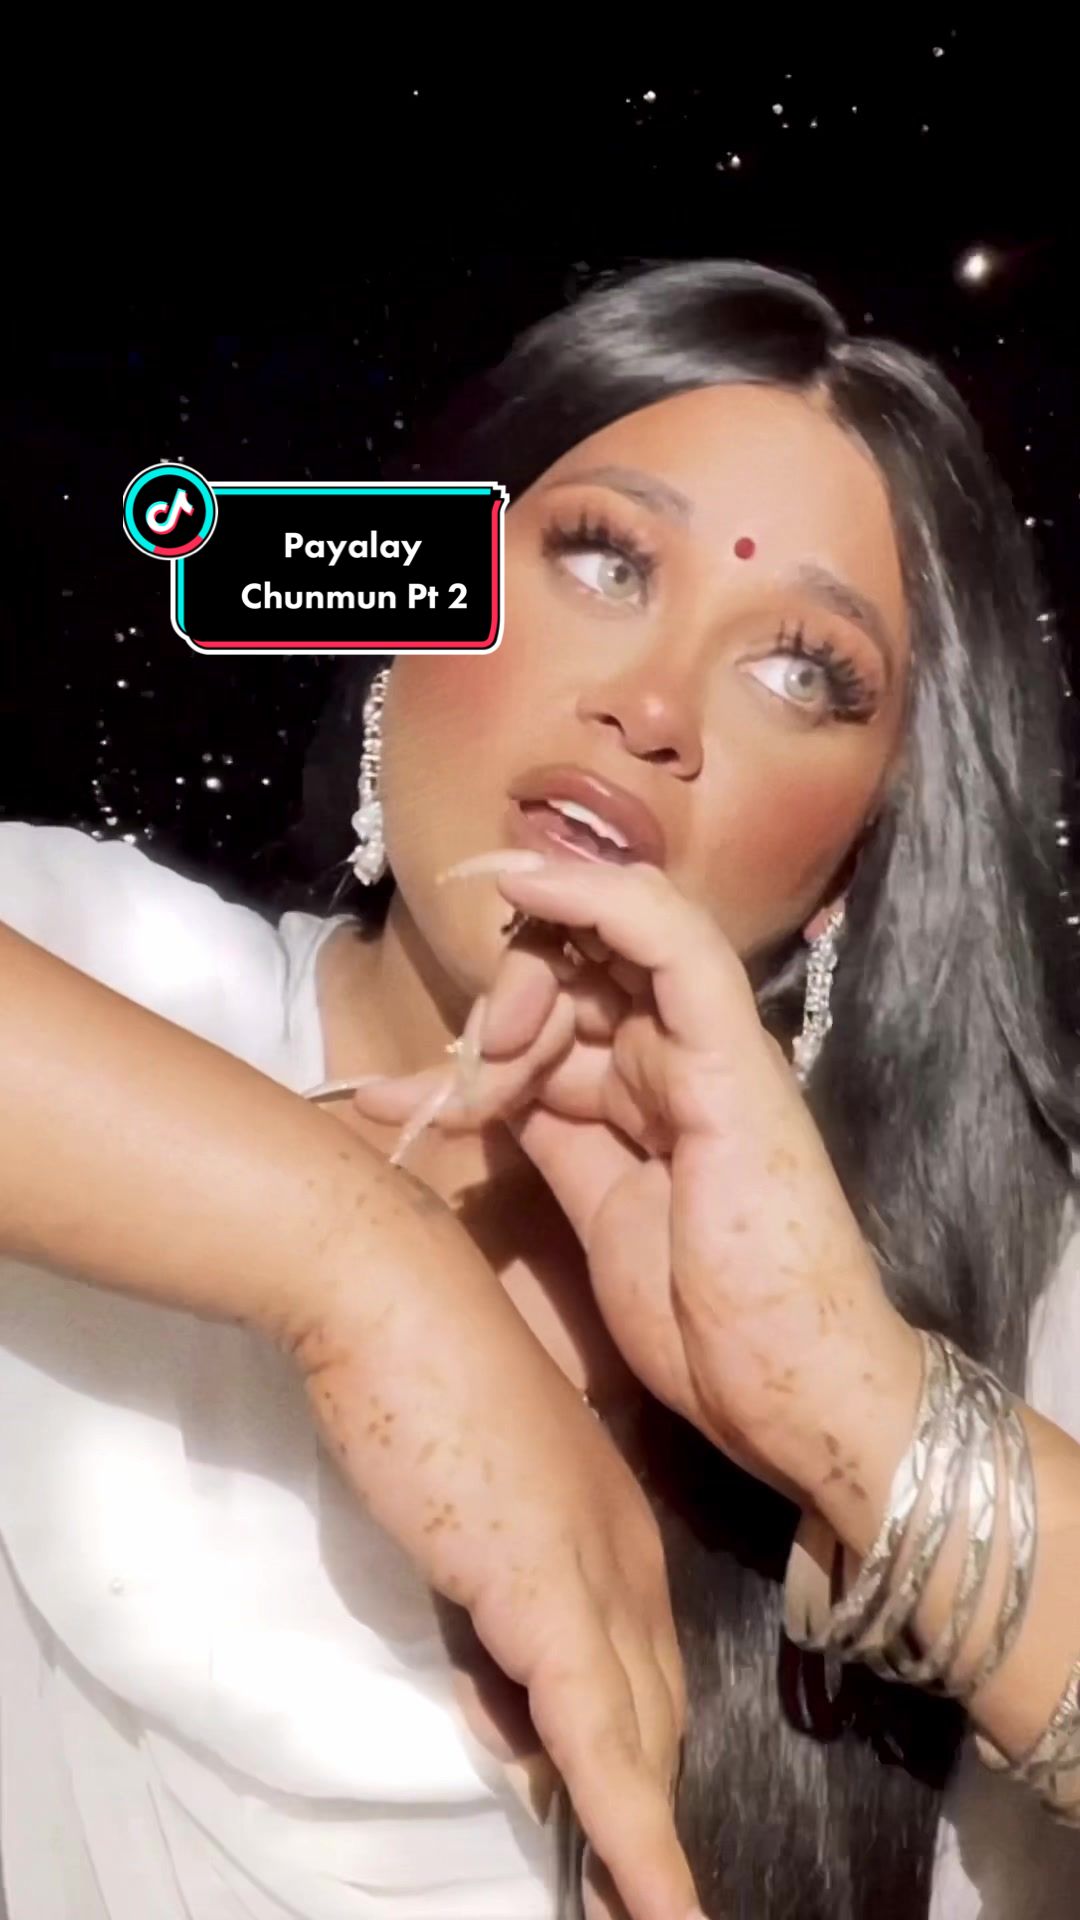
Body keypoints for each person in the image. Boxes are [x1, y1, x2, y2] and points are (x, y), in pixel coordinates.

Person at [2, 259, 1079, 1920]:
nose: (651, 709)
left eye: (804, 671)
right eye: (602, 559)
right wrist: (358, 1266)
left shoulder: (1016, 1303)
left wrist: (847, 1405)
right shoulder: (101, 974)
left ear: (856, 869)